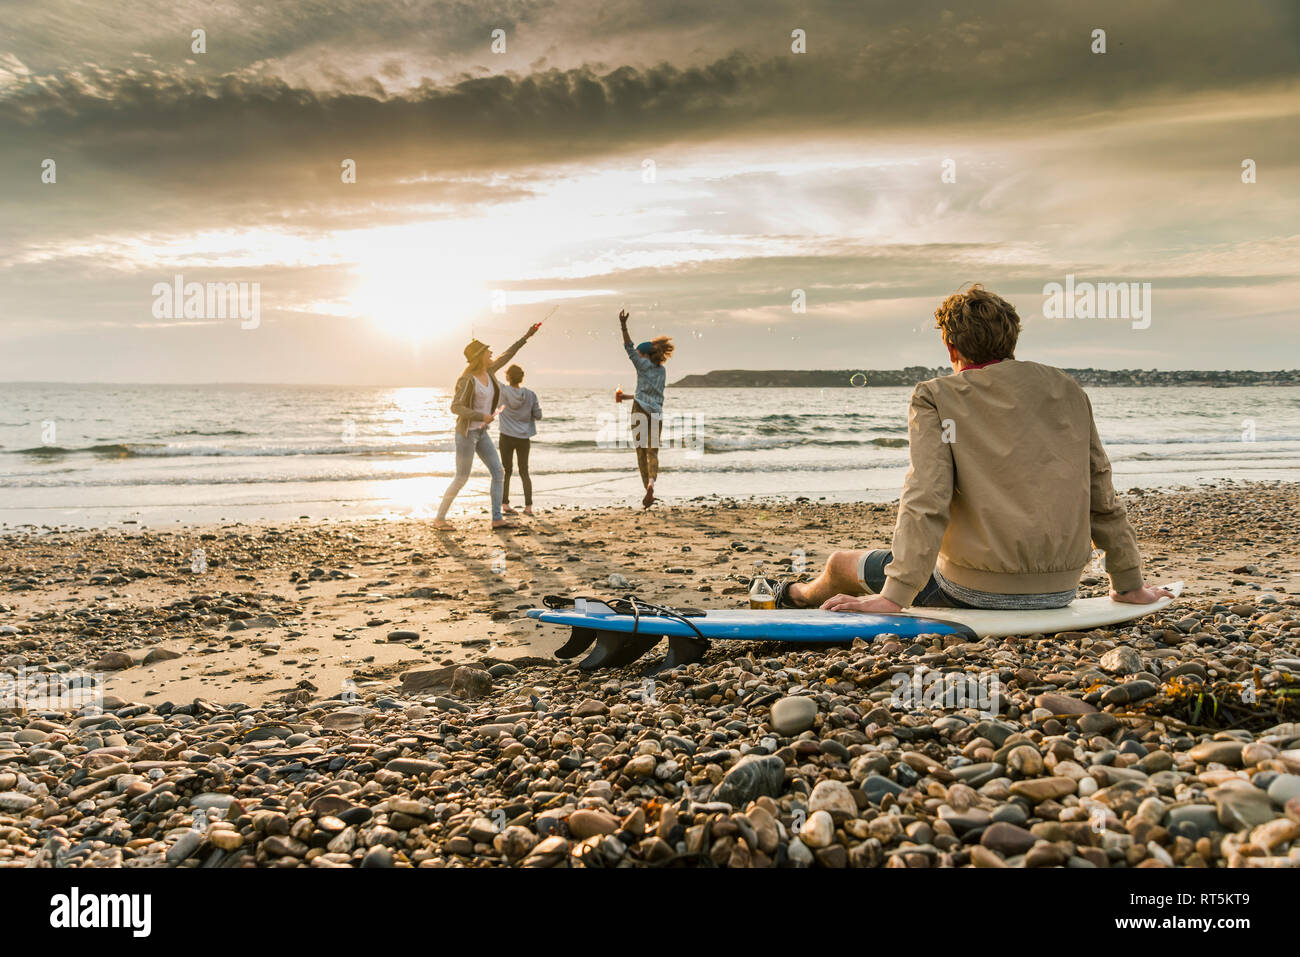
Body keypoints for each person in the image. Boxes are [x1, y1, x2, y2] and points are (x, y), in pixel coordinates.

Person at [777, 284, 1173, 613]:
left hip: (972, 592)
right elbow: (1102, 494)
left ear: (951, 348)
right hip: (1059, 591)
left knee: (840, 564)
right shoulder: (1067, 389)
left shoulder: (935, 395)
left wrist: (893, 598)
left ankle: (794, 596)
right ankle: (794, 593)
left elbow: (927, 496)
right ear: (1012, 339)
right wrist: (1129, 584)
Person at [433, 323, 540, 530]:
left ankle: (497, 519)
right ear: (479, 356)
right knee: (461, 477)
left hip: (481, 433)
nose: (491, 352)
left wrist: (527, 335)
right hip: (466, 434)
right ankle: (439, 519)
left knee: (498, 472)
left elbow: (508, 354)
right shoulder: (467, 380)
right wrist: (480, 415)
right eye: (487, 351)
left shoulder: (490, 371)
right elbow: (455, 407)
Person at [618, 308, 674, 508]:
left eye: (640, 354)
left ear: (644, 355)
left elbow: (627, 346)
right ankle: (651, 484)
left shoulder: (642, 365)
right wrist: (627, 395)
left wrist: (623, 325)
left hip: (639, 409)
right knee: (653, 451)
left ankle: (646, 489)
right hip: (656, 412)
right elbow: (652, 393)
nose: (638, 356)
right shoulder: (663, 371)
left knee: (640, 451)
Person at [498, 363, 542, 515]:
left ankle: (505, 504)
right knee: (524, 471)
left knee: (506, 471)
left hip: (506, 436)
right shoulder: (530, 394)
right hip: (523, 438)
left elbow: (490, 374)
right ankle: (528, 507)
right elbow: (538, 415)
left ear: (507, 376)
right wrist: (526, 414)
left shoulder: (502, 391)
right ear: (522, 377)